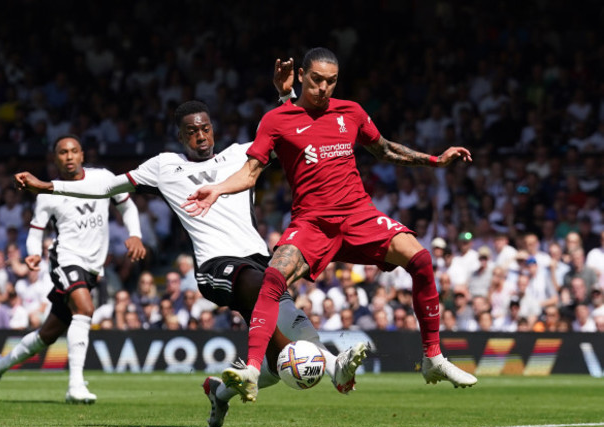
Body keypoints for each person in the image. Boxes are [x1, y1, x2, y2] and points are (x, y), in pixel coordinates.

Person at [14, 60, 368, 427]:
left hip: (260, 261)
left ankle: (220, 391)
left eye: (205, 128)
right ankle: (330, 366)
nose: (200, 136)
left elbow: (293, 131)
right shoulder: (165, 166)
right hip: (217, 268)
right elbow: (106, 186)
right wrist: (48, 186)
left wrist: (284, 95)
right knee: (262, 298)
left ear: (212, 130)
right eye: (192, 132)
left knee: (285, 344)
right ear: (182, 137)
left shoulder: (240, 155)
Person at [183, 47, 477, 401]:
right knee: (272, 278)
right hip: (312, 223)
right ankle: (250, 369)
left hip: (359, 216)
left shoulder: (350, 112)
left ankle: (433, 358)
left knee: (421, 259)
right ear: (302, 77)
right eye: (318, 80)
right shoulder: (276, 120)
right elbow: (249, 173)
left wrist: (435, 160)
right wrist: (216, 189)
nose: (324, 88)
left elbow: (384, 150)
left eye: (331, 81)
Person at [0, 134, 145, 404]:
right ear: (55, 159)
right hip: (66, 259)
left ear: (82, 155)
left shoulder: (102, 178)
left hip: (92, 266)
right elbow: (35, 231)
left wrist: (135, 234)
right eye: (62, 152)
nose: (69, 157)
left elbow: (127, 206)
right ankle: (75, 385)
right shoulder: (47, 194)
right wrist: (33, 254)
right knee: (85, 309)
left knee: (48, 334)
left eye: (73, 151)